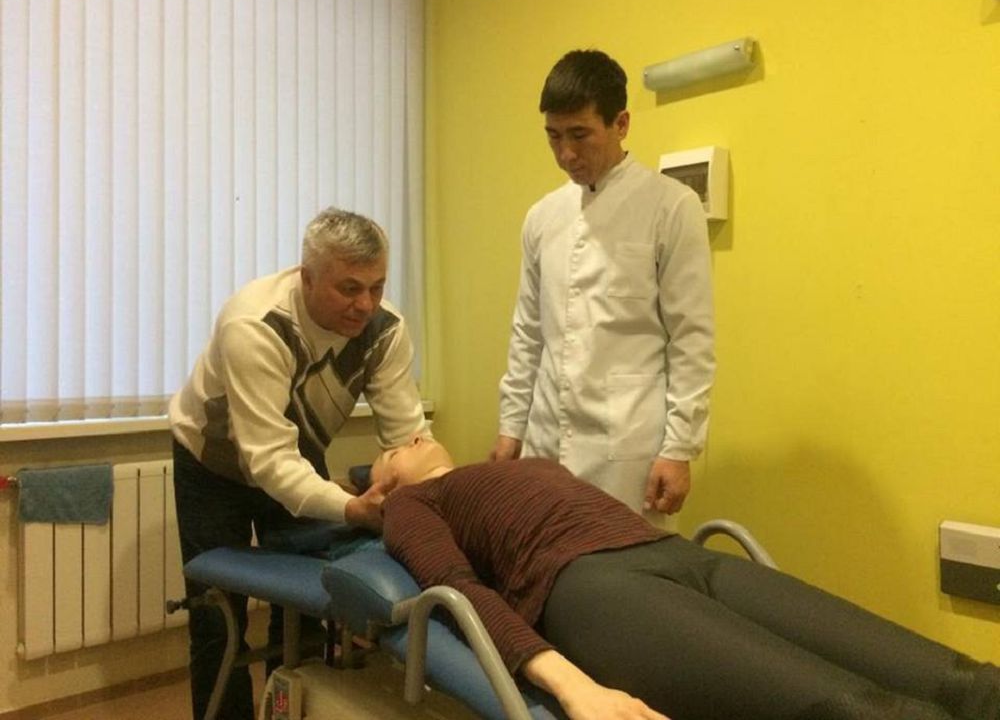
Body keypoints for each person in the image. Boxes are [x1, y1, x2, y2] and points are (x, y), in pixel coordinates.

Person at [374, 436, 1000, 720]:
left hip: (680, 555)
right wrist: (574, 688)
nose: (414, 436)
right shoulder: (411, 505)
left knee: (963, 683)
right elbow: (461, 592)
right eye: (394, 450)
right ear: (383, 487)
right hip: (593, 589)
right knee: (861, 711)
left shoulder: (515, 462)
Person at [169, 207, 429, 720]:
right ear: (307, 277)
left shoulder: (385, 328)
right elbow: (268, 461)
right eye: (349, 288)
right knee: (218, 619)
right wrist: (353, 508)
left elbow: (406, 433)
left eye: (376, 287)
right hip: (212, 462)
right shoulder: (254, 324)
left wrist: (424, 490)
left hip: (294, 451)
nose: (365, 304)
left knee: (307, 610)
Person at [492, 49, 714, 517]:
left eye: (580, 135)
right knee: (541, 553)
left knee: (625, 559)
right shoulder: (543, 216)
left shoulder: (671, 207)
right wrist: (512, 426)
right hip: (544, 437)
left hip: (629, 450)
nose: (566, 154)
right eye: (553, 136)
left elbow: (691, 339)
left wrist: (680, 448)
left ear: (621, 123)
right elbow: (528, 332)